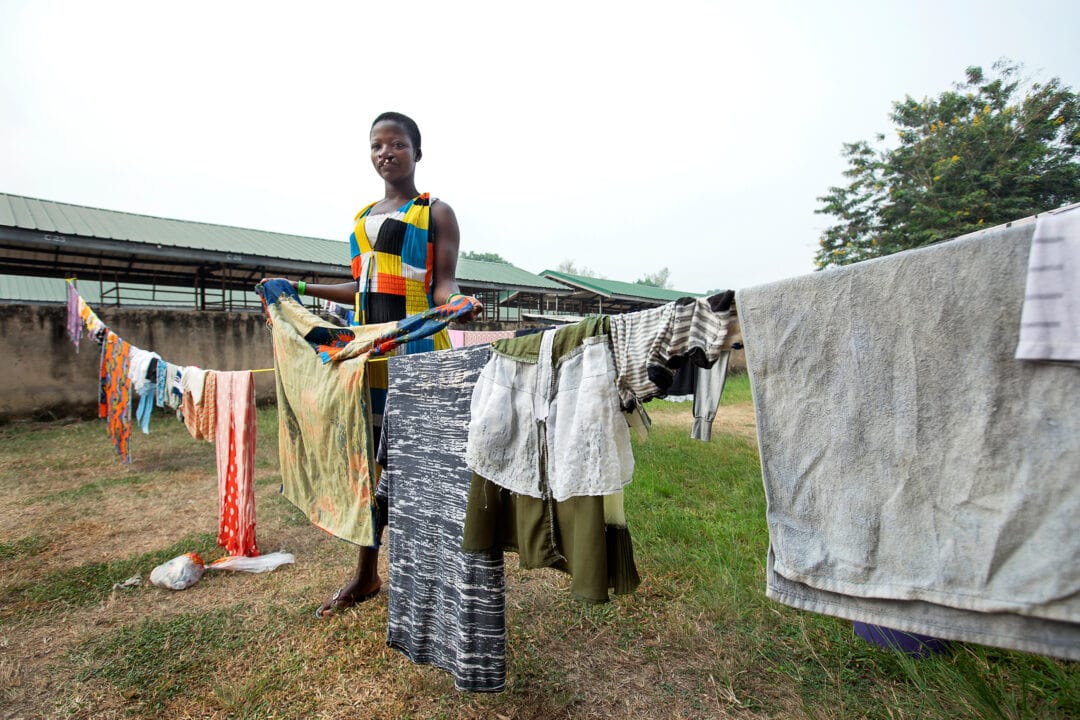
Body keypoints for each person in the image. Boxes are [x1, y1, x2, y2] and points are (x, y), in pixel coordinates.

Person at [265, 111, 482, 617]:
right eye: (377, 146)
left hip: (418, 353)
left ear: (417, 152)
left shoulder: (435, 213)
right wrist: (298, 288)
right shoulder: (361, 220)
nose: (387, 153)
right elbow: (358, 287)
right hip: (369, 358)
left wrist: (458, 300)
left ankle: (435, 574)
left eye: (397, 144)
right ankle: (366, 574)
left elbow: (440, 284)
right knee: (372, 463)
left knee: (425, 464)